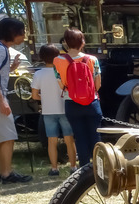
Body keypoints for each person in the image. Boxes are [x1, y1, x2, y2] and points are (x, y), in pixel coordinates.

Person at [0, 18, 32, 184]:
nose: (24, 36)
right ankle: (6, 174)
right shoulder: (0, 50)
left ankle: (2, 172)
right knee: (8, 136)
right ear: (13, 33)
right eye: (22, 32)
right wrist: (1, 100)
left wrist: (11, 68)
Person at [53, 28, 101, 167]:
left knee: (79, 137)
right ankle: (99, 168)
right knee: (95, 136)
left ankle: (84, 169)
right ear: (82, 42)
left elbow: (61, 85)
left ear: (66, 43)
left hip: (71, 102)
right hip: (92, 102)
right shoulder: (92, 59)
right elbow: (98, 84)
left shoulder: (58, 61)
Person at [32, 44, 77, 176]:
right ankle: (73, 166)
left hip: (48, 111)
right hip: (64, 108)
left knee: (52, 141)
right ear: (58, 55)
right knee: (70, 139)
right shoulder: (63, 71)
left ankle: (54, 168)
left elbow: (34, 95)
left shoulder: (38, 74)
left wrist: (44, 97)